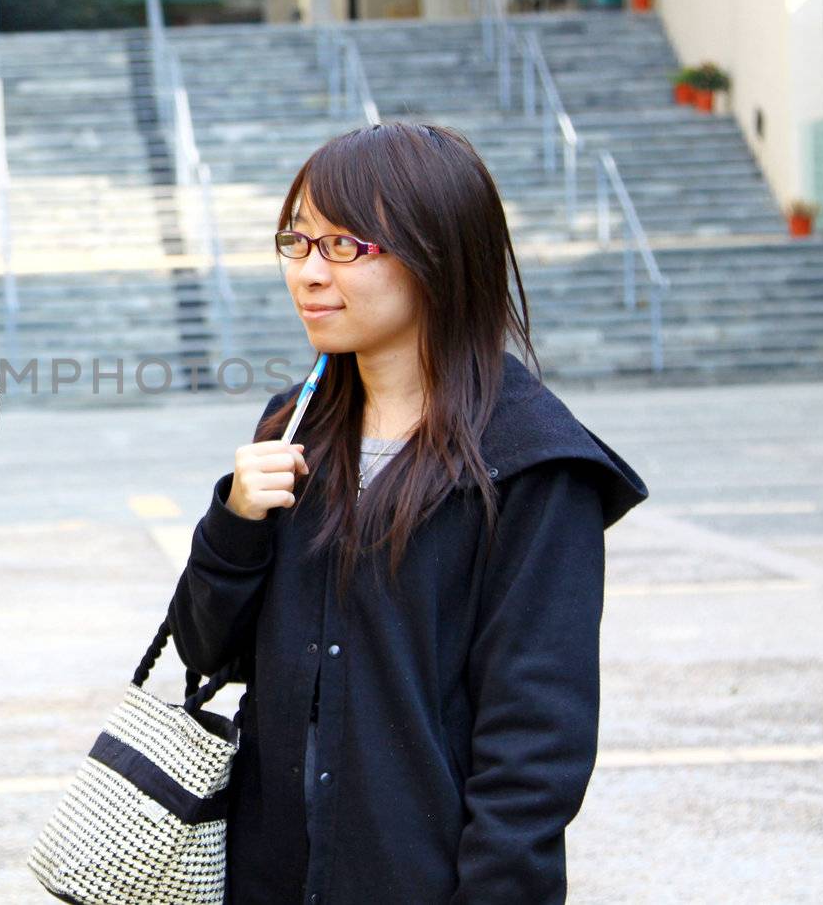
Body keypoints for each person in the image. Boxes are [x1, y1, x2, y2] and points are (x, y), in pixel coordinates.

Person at [170, 122, 647, 904]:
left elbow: (534, 748)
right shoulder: (293, 428)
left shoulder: (530, 464)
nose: (308, 274)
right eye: (297, 241)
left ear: (436, 252)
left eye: (345, 246)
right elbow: (201, 647)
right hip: (271, 877)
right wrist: (236, 521)